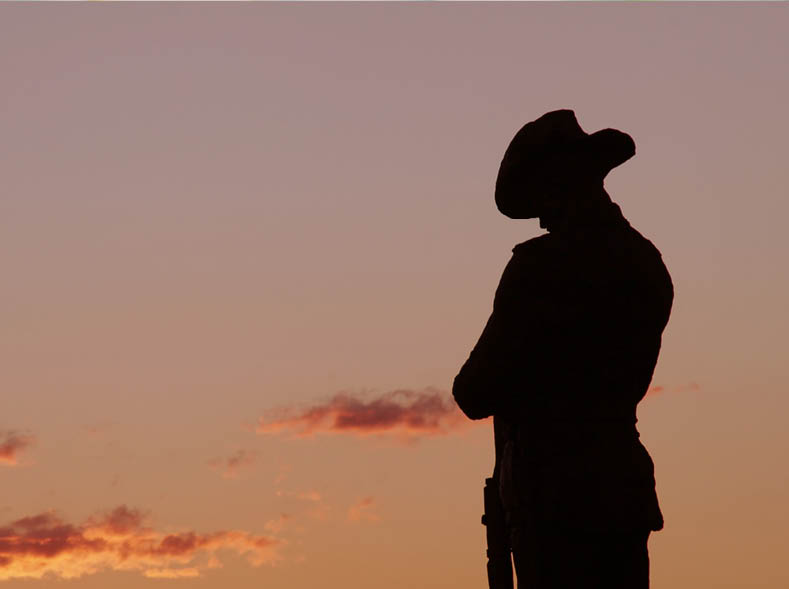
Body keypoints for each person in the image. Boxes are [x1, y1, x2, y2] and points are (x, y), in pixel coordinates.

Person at [453, 110, 673, 589]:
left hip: (554, 501)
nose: (542, 217)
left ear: (559, 186)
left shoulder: (539, 268)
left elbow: (473, 391)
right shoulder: (645, 262)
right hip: (620, 488)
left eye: (543, 199)